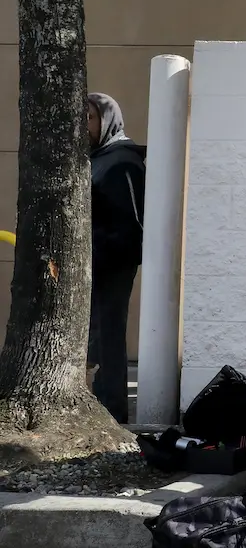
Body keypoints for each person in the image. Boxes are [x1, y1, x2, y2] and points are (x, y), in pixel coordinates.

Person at [87, 93, 147, 424]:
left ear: (108, 121)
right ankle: (98, 403)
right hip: (92, 264)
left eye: (90, 118)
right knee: (94, 335)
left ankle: (112, 411)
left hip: (112, 264)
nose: (83, 125)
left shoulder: (121, 161)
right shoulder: (98, 158)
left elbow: (135, 223)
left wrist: (105, 254)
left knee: (107, 335)